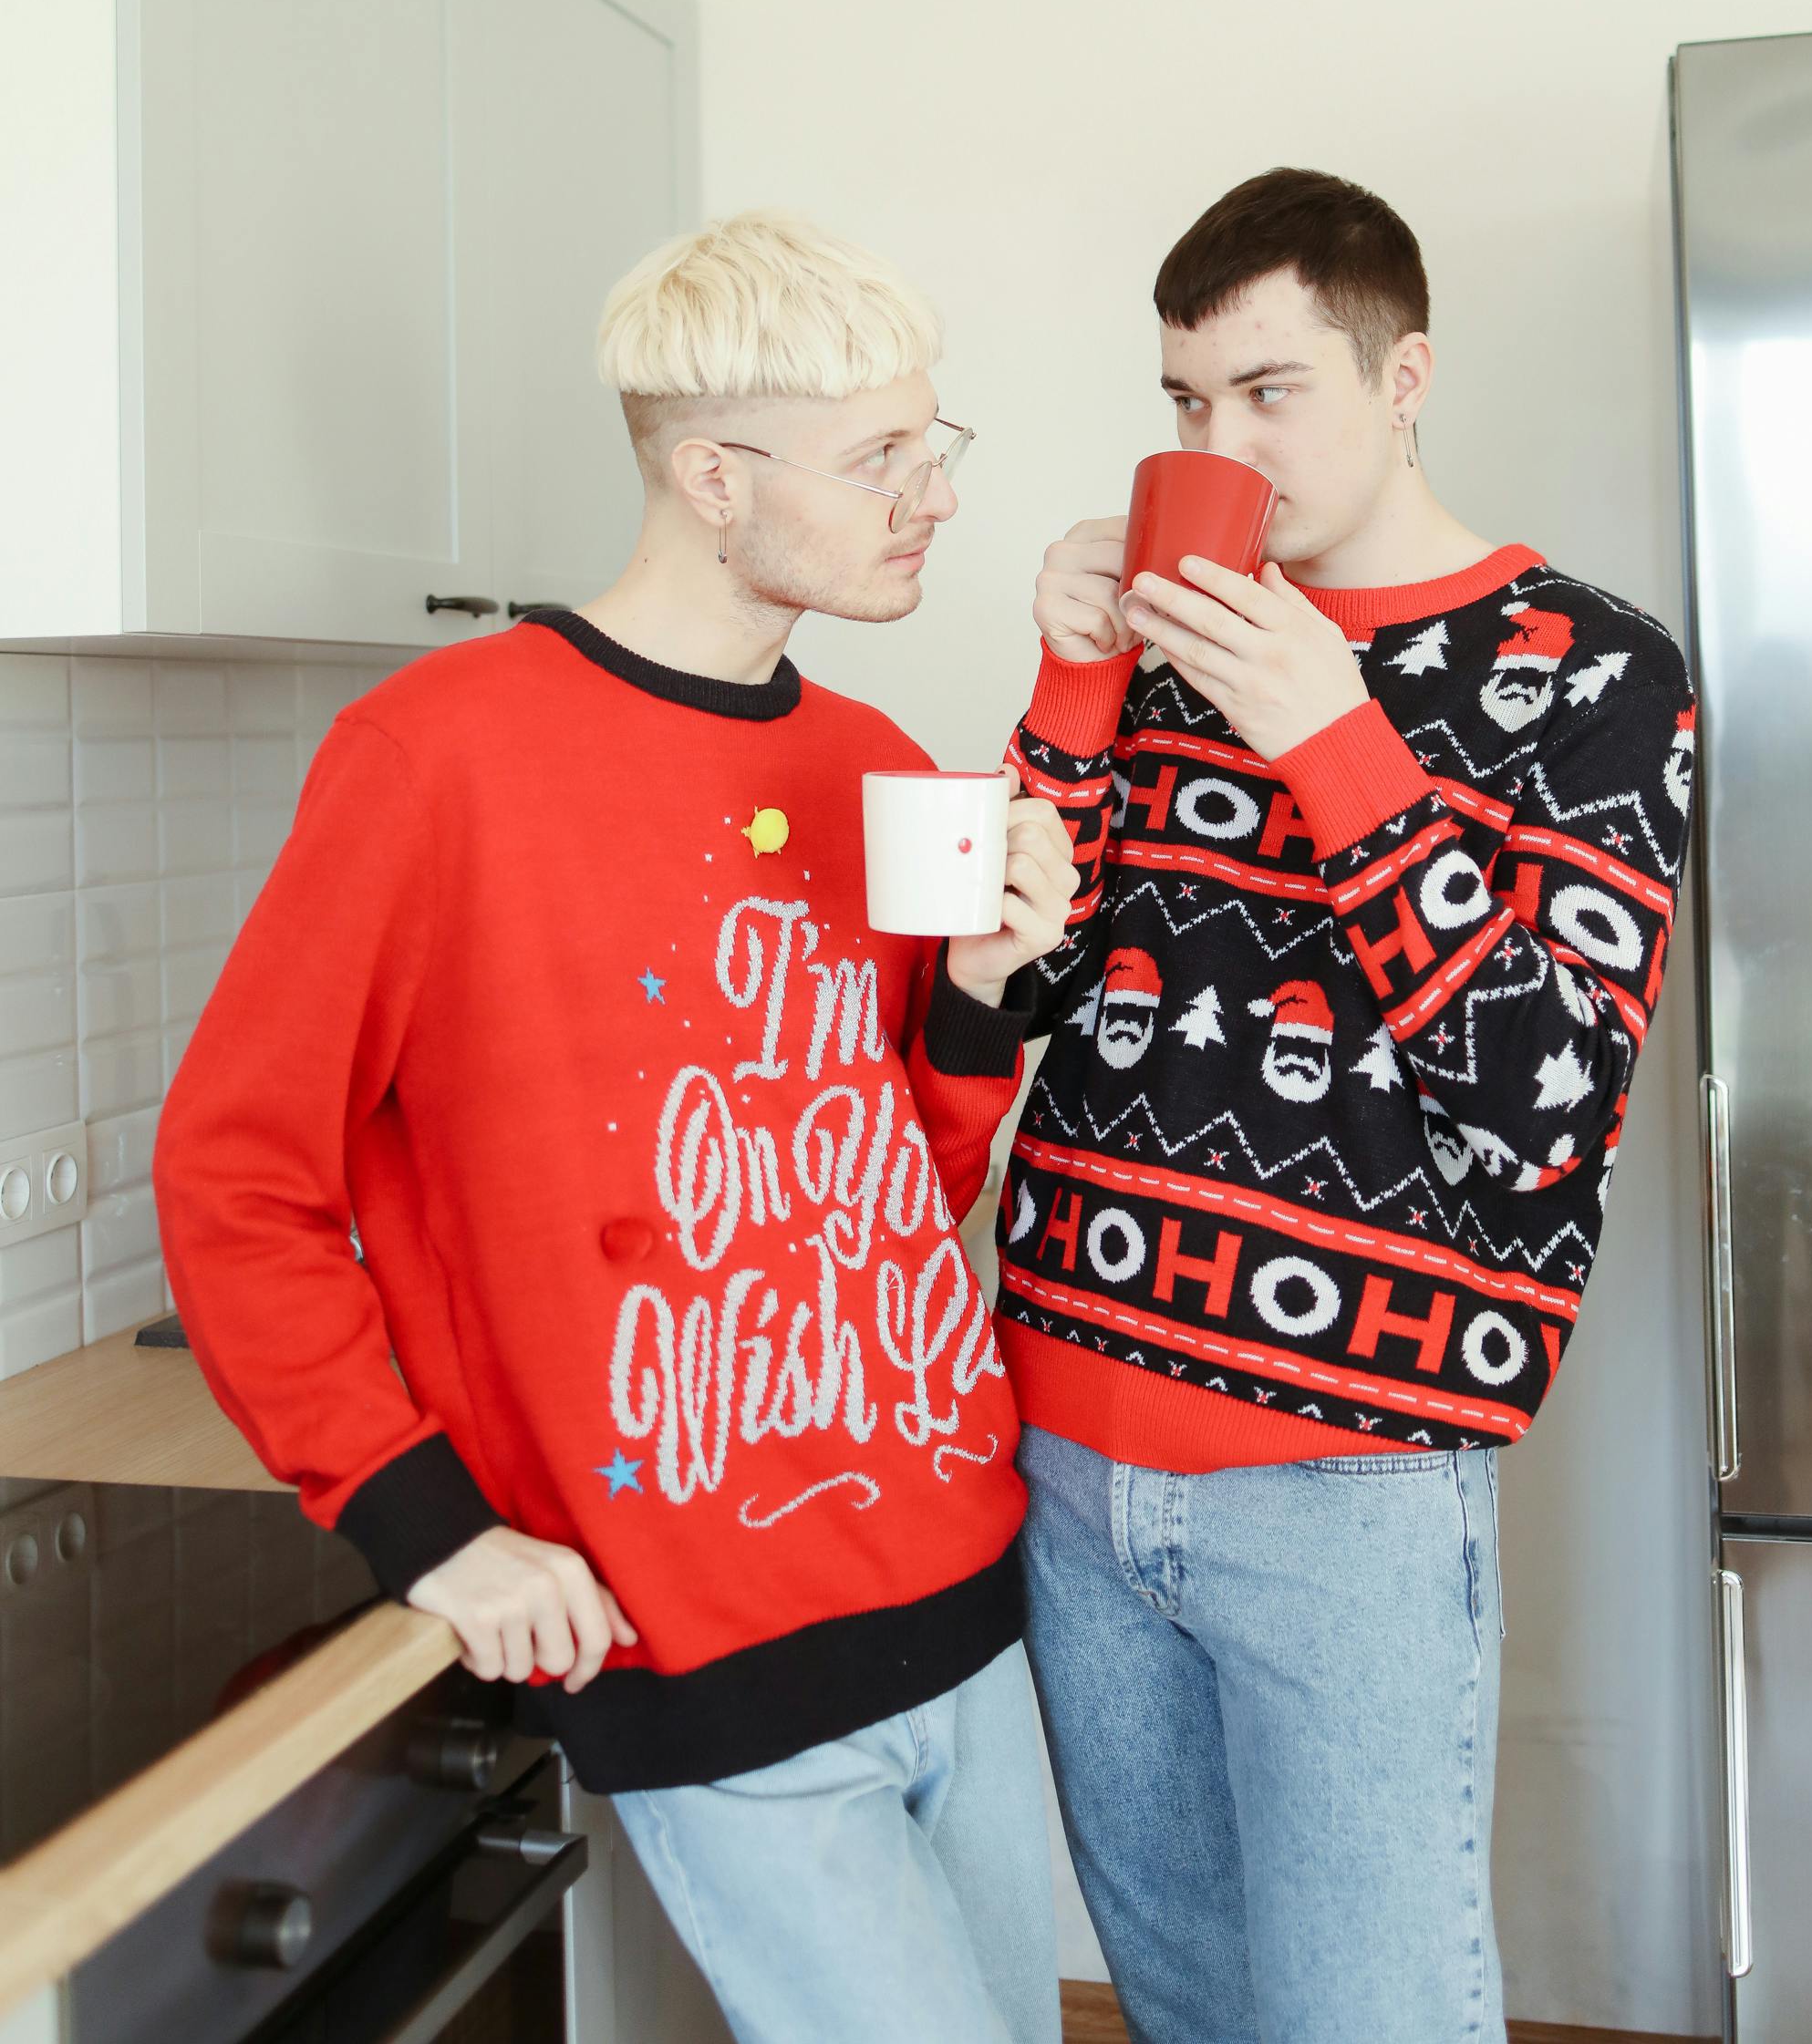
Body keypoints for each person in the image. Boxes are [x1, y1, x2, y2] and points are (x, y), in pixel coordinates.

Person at [155, 211, 1076, 2044]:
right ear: (714, 476)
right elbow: (235, 1175)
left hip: (960, 1577)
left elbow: (889, 1180)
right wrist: (427, 1527)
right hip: (698, 1626)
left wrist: (982, 1003)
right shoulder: (437, 758)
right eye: (880, 456)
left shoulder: (873, 761)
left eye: (931, 445)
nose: (932, 496)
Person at [999, 167, 1695, 2044]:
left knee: (1366, 2014)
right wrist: (1072, 682)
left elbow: (1539, 1112)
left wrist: (1336, 740)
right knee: (1187, 2008)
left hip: (1347, 1477)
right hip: (1067, 1454)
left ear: (1405, 381)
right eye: (1181, 404)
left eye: (1268, 392)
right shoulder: (1168, 656)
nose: (1218, 444)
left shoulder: (1598, 674)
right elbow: (1014, 987)